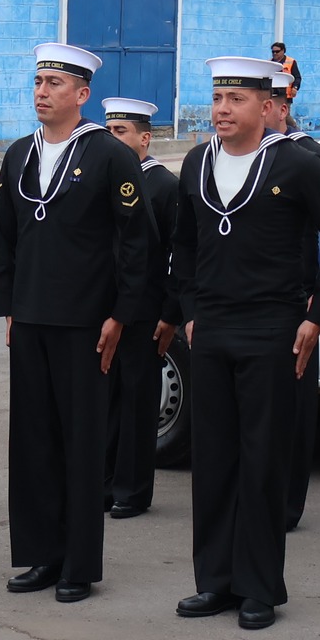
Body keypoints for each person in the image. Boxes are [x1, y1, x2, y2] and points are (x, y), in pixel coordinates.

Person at [171, 57, 320, 630]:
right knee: (214, 460)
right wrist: (190, 313)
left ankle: (259, 587)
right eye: (218, 98)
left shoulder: (298, 164)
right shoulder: (198, 163)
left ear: (266, 105)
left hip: (273, 328)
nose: (222, 110)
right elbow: (182, 244)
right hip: (214, 328)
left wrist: (317, 318)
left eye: (236, 100)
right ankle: (216, 582)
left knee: (261, 460)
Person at [0, 45, 150, 602]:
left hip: (86, 322)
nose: (42, 91)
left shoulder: (108, 154)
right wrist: (9, 306)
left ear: (81, 95)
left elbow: (137, 244)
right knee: (32, 442)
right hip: (32, 317)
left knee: (80, 443)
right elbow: (6, 237)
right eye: (38, 81)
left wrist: (120, 315)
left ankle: (77, 565)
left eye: (55, 83)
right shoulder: (18, 155)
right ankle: (38, 555)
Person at [265, 75, 320, 531]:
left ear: (281, 108)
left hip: (298, 297)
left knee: (293, 409)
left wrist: (318, 299)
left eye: (271, 102)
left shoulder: (313, 157)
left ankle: (287, 504)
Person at [100, 98, 180, 519]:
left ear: (145, 138)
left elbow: (173, 253)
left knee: (136, 400)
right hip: (105, 306)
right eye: (108, 130)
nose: (112, 138)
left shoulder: (162, 185)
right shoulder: (106, 174)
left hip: (146, 309)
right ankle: (105, 482)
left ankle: (132, 490)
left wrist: (170, 312)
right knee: (105, 400)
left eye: (121, 132)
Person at [270, 41, 300, 105]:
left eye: (277, 51)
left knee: (285, 114)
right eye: (273, 52)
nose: (275, 53)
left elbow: (297, 77)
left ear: (283, 51)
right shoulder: (269, 63)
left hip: (286, 96)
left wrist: (295, 88)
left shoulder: (291, 62)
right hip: (272, 95)